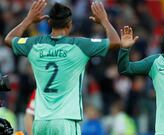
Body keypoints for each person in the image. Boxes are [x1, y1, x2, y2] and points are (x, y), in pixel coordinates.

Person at [4, 0, 120, 134]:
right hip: (65, 121)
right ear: (70, 24)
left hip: (41, 121)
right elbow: (116, 42)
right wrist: (104, 20)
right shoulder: (80, 45)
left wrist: (29, 19)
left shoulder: (34, 45)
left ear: (49, 23)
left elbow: (9, 39)